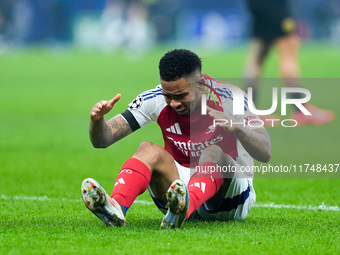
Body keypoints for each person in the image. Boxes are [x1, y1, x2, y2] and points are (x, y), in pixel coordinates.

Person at [81, 49, 271, 228]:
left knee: (212, 151)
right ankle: (116, 208)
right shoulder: (153, 99)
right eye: (168, 96)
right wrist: (97, 121)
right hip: (177, 194)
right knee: (147, 148)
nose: (174, 103)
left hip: (229, 200)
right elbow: (102, 141)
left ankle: (184, 208)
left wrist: (238, 128)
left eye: (181, 96)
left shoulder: (231, 98)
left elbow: (265, 152)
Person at [244, 0, 335, 125]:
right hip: (274, 6)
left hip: (255, 4)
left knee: (258, 55)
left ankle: (250, 111)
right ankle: (301, 110)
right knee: (288, 50)